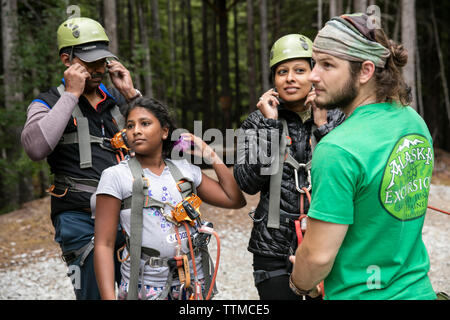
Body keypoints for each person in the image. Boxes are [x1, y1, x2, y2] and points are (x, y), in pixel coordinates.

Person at [289, 13, 437, 300]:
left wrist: (299, 282)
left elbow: (318, 258)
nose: (312, 75)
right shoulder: (413, 123)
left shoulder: (338, 149)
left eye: (327, 65)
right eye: (315, 62)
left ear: (366, 71)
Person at [21, 17, 140, 299]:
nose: (99, 69)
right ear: (67, 60)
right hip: (80, 218)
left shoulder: (117, 102)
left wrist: (132, 95)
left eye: (103, 61)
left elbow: (163, 144)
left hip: (129, 213)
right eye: (90, 62)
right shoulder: (47, 102)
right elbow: (35, 148)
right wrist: (72, 94)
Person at [94, 97, 246, 300]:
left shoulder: (185, 170)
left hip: (193, 283)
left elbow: (234, 199)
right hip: (145, 286)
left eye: (145, 123)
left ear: (164, 131)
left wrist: (208, 153)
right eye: (130, 126)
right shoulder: (115, 176)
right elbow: (104, 243)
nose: (136, 130)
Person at [233, 34, 345, 300]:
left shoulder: (337, 117)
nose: (290, 78)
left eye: (299, 71)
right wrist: (270, 128)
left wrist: (322, 127)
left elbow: (344, 173)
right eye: (282, 72)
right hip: (273, 247)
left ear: (314, 74)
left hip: (326, 240)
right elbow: (247, 182)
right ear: (273, 80)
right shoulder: (257, 122)